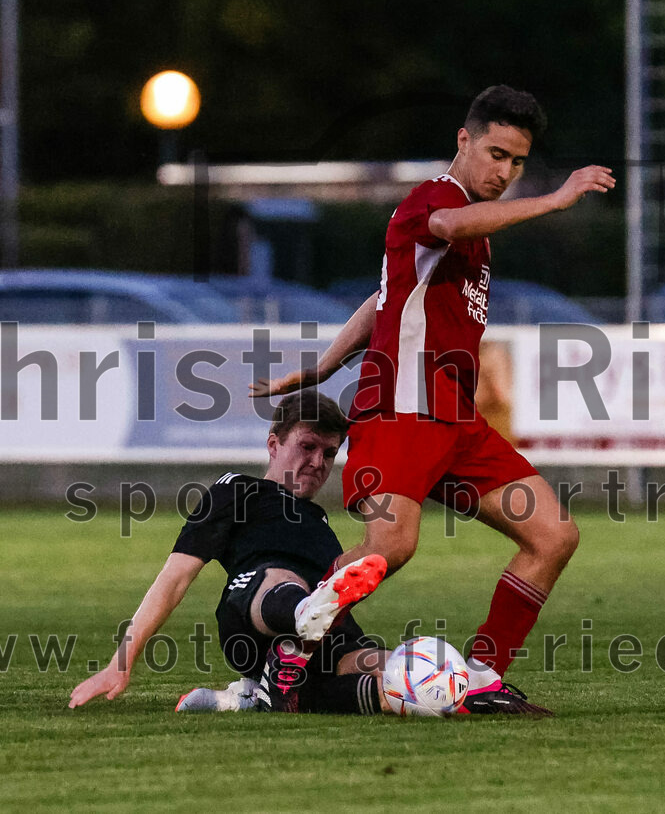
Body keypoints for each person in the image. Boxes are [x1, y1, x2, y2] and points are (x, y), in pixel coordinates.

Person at [250, 85, 615, 713]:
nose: (505, 173)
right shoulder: (437, 201)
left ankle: (479, 680)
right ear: (463, 140)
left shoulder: (475, 228)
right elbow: (444, 228)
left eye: (518, 163)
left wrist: (324, 366)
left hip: (455, 421)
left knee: (553, 536)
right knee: (391, 548)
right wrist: (553, 199)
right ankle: (285, 650)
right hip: (402, 408)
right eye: (496, 154)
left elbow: (385, 295)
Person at [67, 389, 390, 715]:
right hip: (253, 620)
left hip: (324, 646)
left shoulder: (319, 521)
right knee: (280, 576)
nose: (319, 462)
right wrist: (120, 663)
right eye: (307, 447)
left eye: (329, 453)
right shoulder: (237, 490)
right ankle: (301, 616)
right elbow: (174, 578)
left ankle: (258, 696)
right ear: (274, 445)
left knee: (411, 676)